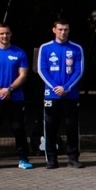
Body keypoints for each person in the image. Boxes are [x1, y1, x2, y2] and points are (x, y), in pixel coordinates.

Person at [0, 23, 33, 170]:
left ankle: (23, 158)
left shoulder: (20, 53)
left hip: (15, 97)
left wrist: (9, 89)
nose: (5, 36)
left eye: (7, 33)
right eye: (1, 33)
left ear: (11, 34)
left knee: (19, 129)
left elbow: (23, 75)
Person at [37, 19, 84, 168]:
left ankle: (73, 158)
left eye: (66, 30)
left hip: (71, 95)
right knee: (50, 127)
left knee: (71, 126)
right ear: (54, 30)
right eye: (60, 29)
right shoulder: (45, 48)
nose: (63, 32)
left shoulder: (77, 48)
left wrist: (67, 88)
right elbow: (41, 70)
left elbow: (79, 70)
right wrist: (55, 87)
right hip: (51, 95)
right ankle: (51, 159)